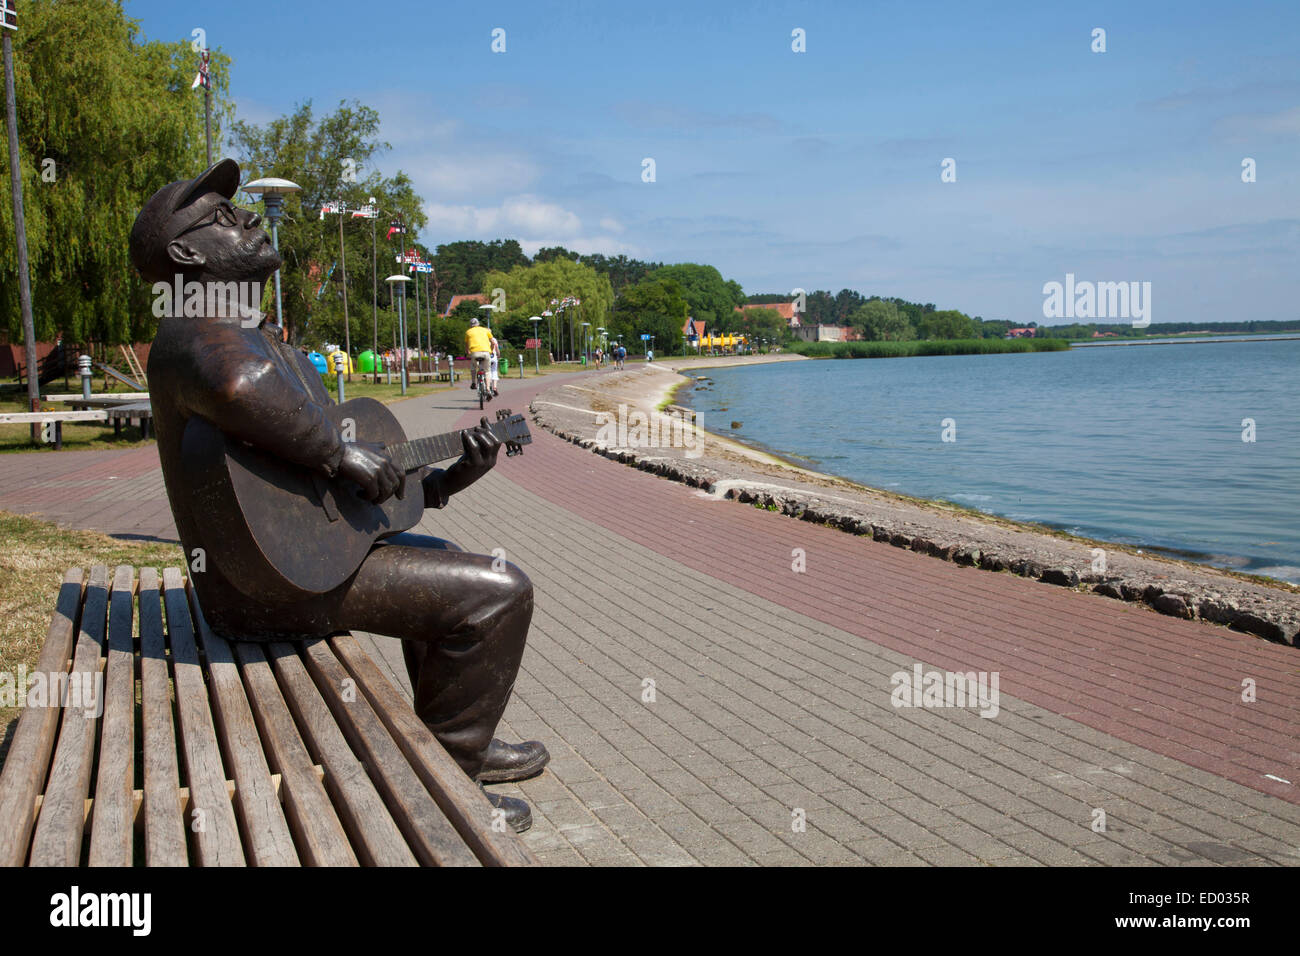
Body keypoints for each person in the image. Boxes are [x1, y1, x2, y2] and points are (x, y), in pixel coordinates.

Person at [130, 159, 545, 831]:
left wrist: (440, 482)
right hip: (262, 589)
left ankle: (457, 735)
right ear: (184, 254)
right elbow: (242, 391)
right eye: (220, 218)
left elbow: (323, 494)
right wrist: (337, 451)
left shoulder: (251, 334)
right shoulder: (192, 328)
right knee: (498, 592)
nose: (245, 219)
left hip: (270, 571)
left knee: (446, 555)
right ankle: (446, 784)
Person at [465, 317, 493, 400]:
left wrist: (468, 353)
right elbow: (493, 342)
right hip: (486, 352)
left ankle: (473, 382)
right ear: (478, 324)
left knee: (473, 367)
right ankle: (488, 389)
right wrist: (491, 350)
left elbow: (466, 345)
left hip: (474, 353)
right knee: (487, 371)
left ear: (471, 325)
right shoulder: (485, 330)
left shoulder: (468, 332)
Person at [487, 331, 501, 398]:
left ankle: (488, 388)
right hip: (493, 358)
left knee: (487, 372)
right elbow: (497, 348)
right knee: (494, 371)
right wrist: (498, 354)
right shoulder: (494, 339)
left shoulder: (483, 339)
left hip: (486, 358)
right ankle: (495, 387)